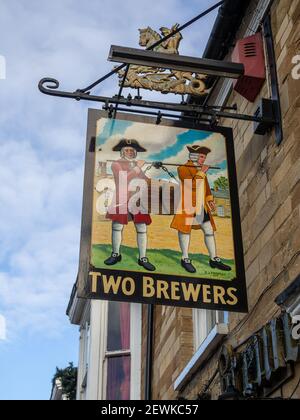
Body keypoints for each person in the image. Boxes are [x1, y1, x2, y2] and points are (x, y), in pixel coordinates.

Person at [171, 145, 231, 273]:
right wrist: (202, 172)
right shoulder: (182, 169)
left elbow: (206, 187)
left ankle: (214, 259)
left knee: (209, 230)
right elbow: (191, 186)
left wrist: (210, 200)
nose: (203, 159)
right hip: (188, 204)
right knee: (185, 231)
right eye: (202, 156)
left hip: (201, 205)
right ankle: (185, 258)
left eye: (204, 157)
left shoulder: (200, 171)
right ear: (194, 156)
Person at [104, 138, 156, 272]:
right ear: (122, 152)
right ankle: (116, 254)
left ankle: (142, 258)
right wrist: (138, 168)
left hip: (137, 199)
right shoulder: (116, 164)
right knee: (117, 226)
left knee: (142, 227)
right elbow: (123, 180)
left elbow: (145, 180)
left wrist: (152, 168)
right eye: (127, 150)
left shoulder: (135, 165)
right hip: (121, 198)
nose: (130, 152)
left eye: (132, 150)